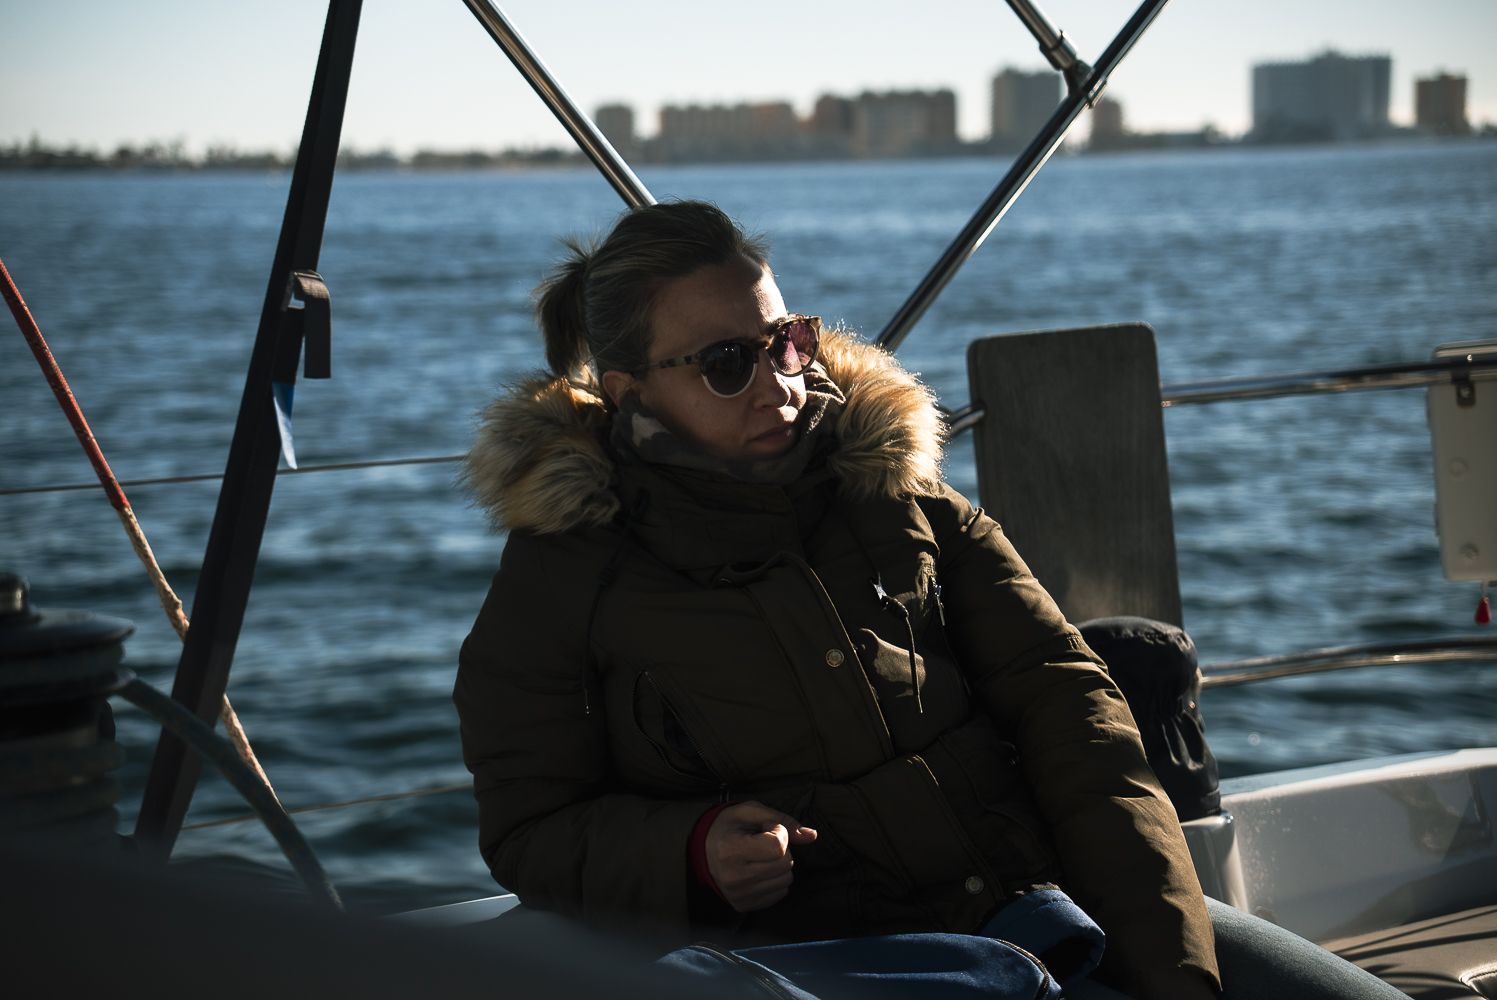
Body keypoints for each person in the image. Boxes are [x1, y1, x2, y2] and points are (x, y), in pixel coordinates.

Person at [453, 200, 1397, 1000]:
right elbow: (529, 828)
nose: (780, 386)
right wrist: (688, 852)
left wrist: (1173, 974)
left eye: (786, 342)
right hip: (824, 963)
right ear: (628, 392)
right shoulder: (566, 571)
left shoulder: (895, 490)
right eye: (727, 363)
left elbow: (1071, 712)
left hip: (1044, 909)